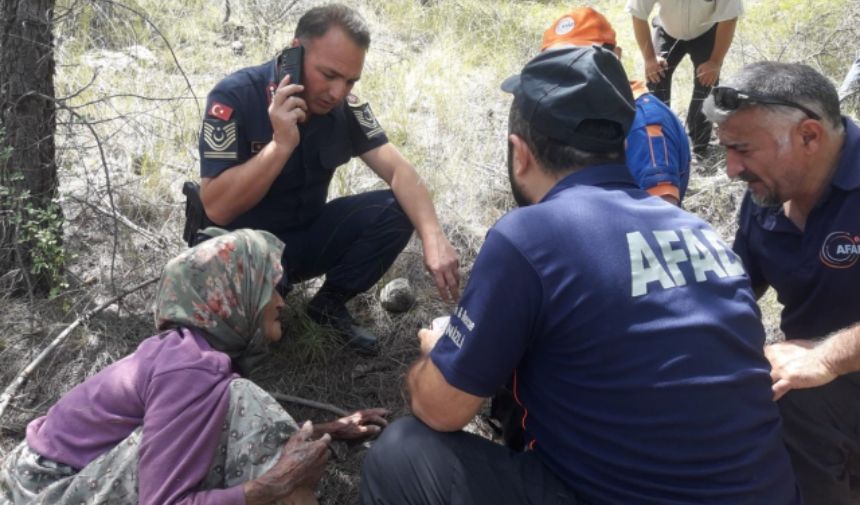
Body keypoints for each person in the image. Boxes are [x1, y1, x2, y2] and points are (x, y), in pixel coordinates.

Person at [359, 46, 800, 505]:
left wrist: (438, 356)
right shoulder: (699, 232)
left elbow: (439, 408)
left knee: (400, 453)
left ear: (520, 154)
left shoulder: (528, 236)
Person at [0, 228, 388, 505]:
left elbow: (193, 434)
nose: (282, 301)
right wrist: (273, 484)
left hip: (42, 479)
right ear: (233, 294)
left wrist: (325, 431)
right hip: (41, 492)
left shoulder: (187, 355)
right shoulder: (192, 369)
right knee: (243, 405)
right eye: (270, 286)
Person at [197, 4, 460, 355]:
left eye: (350, 80)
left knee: (399, 209)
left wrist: (434, 237)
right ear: (294, 52)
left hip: (304, 239)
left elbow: (400, 172)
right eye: (329, 74)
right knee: (239, 351)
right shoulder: (236, 97)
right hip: (243, 256)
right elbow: (217, 208)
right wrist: (280, 146)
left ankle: (328, 306)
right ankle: (260, 307)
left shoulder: (344, 108)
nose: (337, 92)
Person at [703, 61, 860, 505]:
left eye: (743, 149)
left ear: (809, 136)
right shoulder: (768, 194)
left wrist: (829, 357)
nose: (732, 169)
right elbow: (734, 291)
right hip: (817, 402)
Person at [541, 6, 690, 204]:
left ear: (615, 56)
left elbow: (663, 217)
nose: (569, 72)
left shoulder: (644, 124)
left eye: (581, 59)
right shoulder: (575, 115)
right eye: (556, 64)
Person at [627, 0, 743, 159]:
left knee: (707, 84)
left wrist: (715, 62)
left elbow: (729, 17)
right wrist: (650, 59)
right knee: (656, 78)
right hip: (667, 30)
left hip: (706, 32)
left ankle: (699, 146)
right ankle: (659, 141)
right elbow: (637, 14)